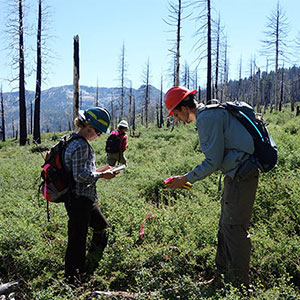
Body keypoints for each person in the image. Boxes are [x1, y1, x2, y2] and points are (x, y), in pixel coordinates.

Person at [164, 86, 259, 290]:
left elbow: (212, 161)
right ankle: (221, 277)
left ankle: (241, 287)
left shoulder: (206, 118)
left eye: (176, 114)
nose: (178, 119)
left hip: (242, 175)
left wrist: (185, 179)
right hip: (237, 174)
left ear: (183, 107)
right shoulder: (210, 113)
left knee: (234, 228)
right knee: (225, 226)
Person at [63, 106, 118, 284]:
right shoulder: (81, 145)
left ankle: (93, 261)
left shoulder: (72, 140)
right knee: (77, 241)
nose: (100, 136)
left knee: (102, 228)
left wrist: (98, 170)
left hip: (83, 198)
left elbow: (79, 170)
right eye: (99, 132)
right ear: (89, 127)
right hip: (79, 200)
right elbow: (80, 176)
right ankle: (73, 280)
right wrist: (102, 175)